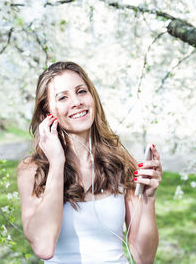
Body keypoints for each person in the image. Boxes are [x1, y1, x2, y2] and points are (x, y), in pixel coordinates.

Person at [17, 61, 163, 263]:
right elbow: (43, 246)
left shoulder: (120, 162)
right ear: (47, 112)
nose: (77, 102)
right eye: (63, 97)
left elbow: (143, 258)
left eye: (81, 91)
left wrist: (148, 201)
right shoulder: (33, 170)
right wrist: (57, 163)